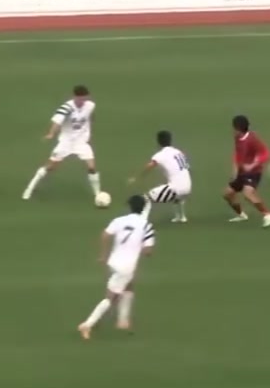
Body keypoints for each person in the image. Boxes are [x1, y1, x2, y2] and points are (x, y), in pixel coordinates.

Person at [78, 195, 155, 340]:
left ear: (129, 207)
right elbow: (148, 251)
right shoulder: (146, 226)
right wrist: (143, 248)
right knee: (111, 297)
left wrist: (103, 255)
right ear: (143, 208)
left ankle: (123, 320)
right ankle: (87, 324)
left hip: (113, 262)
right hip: (126, 267)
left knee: (129, 286)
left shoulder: (119, 220)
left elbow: (105, 235)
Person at [22, 85, 101, 201]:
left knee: (92, 167)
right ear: (75, 97)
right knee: (50, 167)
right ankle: (29, 188)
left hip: (81, 142)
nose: (83, 102)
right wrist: (51, 134)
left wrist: (89, 132)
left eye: (85, 99)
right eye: (81, 99)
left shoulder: (90, 105)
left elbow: (90, 115)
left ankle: (97, 194)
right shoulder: (66, 107)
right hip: (66, 142)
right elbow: (57, 122)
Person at [129, 130, 192, 223]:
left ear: (158, 142)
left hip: (176, 188)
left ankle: (142, 220)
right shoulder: (178, 152)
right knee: (177, 194)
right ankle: (181, 217)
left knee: (147, 197)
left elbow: (150, 165)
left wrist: (136, 177)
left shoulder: (161, 154)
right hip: (188, 186)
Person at [224, 115, 270, 228]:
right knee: (228, 194)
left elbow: (265, 153)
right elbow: (237, 153)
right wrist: (235, 170)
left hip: (253, 172)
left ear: (238, 129)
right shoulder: (237, 138)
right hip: (241, 171)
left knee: (248, 193)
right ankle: (242, 215)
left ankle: (268, 215)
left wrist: (252, 165)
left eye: (233, 128)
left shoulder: (252, 139)